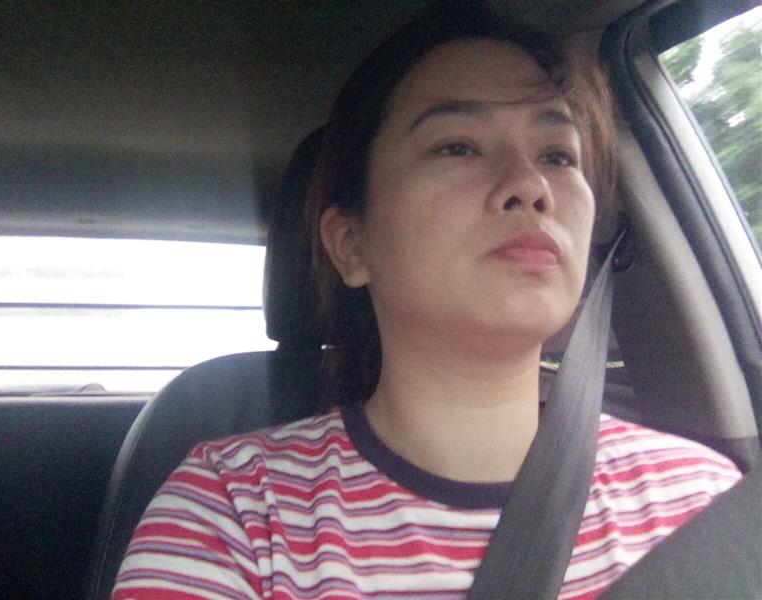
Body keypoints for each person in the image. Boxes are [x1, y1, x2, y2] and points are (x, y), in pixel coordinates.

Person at [112, 3, 741, 598]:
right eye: (457, 146)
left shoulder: (703, 504)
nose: (531, 185)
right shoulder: (233, 515)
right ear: (352, 244)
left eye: (557, 154)